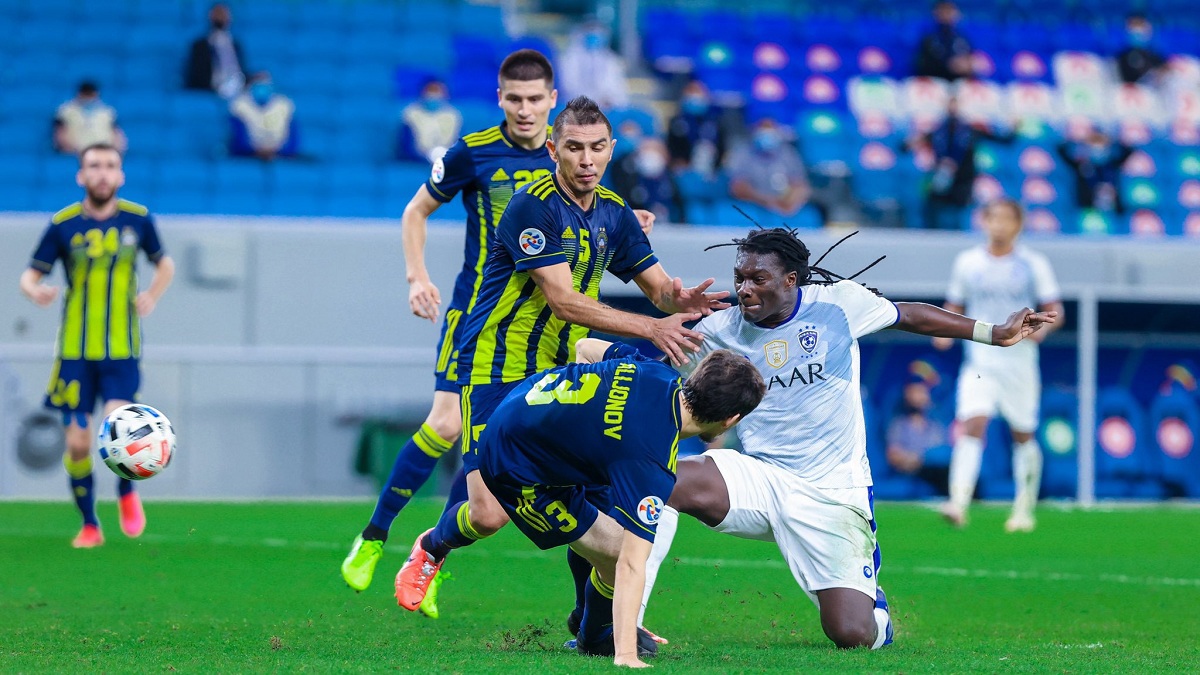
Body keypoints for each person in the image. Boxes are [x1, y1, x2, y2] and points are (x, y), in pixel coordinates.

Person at [338, 55, 657, 613]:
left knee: (582, 477)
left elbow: (603, 235)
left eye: (536, 100)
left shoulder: (582, 160)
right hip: (484, 319)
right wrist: (417, 276)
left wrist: (629, 224)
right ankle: (376, 537)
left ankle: (591, 621)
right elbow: (416, 211)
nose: (526, 110)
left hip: (559, 335)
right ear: (501, 98)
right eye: (515, 99)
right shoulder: (475, 151)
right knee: (446, 427)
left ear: (553, 101)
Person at [637, 225, 1057, 649]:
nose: (744, 289)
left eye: (757, 279)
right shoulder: (719, 331)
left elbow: (908, 315)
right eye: (740, 278)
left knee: (852, 635)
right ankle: (617, 622)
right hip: (761, 478)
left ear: (790, 280)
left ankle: (874, 610)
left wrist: (993, 332)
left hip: (835, 492)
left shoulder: (839, 305)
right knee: (658, 479)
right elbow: (650, 376)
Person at [392, 96, 730, 618]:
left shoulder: (614, 212)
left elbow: (660, 288)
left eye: (597, 147)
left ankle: (591, 623)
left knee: (590, 489)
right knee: (486, 516)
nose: (587, 159)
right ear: (553, 148)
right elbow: (564, 300)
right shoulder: (532, 207)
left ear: (612, 149)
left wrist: (678, 300)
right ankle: (432, 547)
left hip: (558, 370)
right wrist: (650, 325)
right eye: (574, 147)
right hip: (494, 367)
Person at [481, 338, 765, 664]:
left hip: (517, 405)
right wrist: (627, 655)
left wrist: (578, 422)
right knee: (617, 551)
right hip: (514, 469)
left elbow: (585, 347)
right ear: (730, 420)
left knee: (604, 523)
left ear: (694, 378)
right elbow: (630, 563)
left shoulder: (653, 370)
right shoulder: (651, 464)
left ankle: (587, 623)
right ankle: (596, 637)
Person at [17, 143, 176, 548]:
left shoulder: (137, 220)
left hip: (121, 349)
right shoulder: (63, 224)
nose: (102, 173)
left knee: (119, 424)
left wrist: (153, 296)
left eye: (109, 166)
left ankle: (126, 492)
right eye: (94, 166)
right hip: (74, 351)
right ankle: (89, 524)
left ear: (120, 175)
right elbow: (30, 274)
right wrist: (35, 291)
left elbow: (165, 263)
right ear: (81, 175)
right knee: (78, 441)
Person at [934, 199, 1064, 532]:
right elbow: (955, 304)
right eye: (994, 219)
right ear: (984, 222)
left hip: (1019, 361)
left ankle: (1024, 508)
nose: (1000, 226)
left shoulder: (1034, 263)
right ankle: (958, 503)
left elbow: (1055, 309)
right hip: (981, 358)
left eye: (1007, 220)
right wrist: (943, 331)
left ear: (1018, 225)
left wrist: (1043, 328)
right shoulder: (968, 262)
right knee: (972, 424)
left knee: (1023, 433)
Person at [904, 96, 1014, 229]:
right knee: (934, 207)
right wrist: (911, 142)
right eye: (950, 105)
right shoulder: (938, 131)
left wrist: (1013, 128)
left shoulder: (971, 130)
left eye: (955, 105)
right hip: (942, 177)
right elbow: (907, 147)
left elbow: (1003, 140)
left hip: (964, 179)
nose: (952, 109)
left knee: (960, 213)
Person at [726, 118, 815, 221]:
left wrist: (792, 202)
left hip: (783, 204)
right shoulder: (742, 153)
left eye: (770, 131)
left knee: (807, 215)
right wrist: (766, 200)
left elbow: (800, 184)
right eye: (763, 131)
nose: (767, 136)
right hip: (753, 204)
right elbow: (737, 187)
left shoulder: (788, 153)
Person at [886, 375, 951, 492]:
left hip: (934, 477)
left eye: (921, 392)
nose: (918, 397)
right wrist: (914, 460)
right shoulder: (899, 424)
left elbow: (942, 455)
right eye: (913, 392)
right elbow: (894, 456)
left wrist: (921, 458)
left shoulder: (935, 427)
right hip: (908, 477)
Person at [610, 137, 686, 223]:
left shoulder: (670, 180)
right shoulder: (629, 179)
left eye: (655, 150)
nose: (651, 154)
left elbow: (679, 207)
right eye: (646, 149)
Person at [1057, 130, 1135, 214]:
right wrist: (1072, 139)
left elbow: (1129, 151)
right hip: (1087, 209)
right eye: (1093, 148)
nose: (1097, 151)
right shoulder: (1082, 166)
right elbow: (1061, 151)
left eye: (1100, 148)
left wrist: (1116, 139)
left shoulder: (1113, 165)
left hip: (1113, 211)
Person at [558, 21, 629, 110]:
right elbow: (568, 86)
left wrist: (609, 99)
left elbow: (618, 88)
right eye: (591, 34)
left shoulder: (611, 60)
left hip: (606, 108)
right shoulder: (569, 58)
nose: (594, 38)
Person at [228, 73, 299, 160]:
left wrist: (279, 151)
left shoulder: (284, 105)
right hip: (248, 156)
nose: (262, 86)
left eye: (265, 83)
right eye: (258, 83)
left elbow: (293, 139)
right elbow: (238, 138)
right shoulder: (239, 105)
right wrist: (254, 151)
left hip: (280, 155)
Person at [185, 2, 248, 98]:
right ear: (210, 16)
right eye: (217, 13)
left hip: (238, 87)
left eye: (223, 14)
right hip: (213, 88)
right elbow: (195, 76)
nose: (220, 17)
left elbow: (241, 71)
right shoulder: (200, 46)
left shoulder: (236, 45)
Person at [666, 80, 726, 177]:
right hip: (682, 172)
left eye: (698, 92)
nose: (695, 96)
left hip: (711, 171)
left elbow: (722, 148)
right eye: (691, 92)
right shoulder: (676, 122)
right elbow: (671, 148)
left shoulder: (715, 122)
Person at [396, 78, 462, 163]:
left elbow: (457, 143)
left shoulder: (453, 115)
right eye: (430, 91)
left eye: (437, 91)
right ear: (422, 92)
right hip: (416, 158)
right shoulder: (410, 113)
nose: (433, 95)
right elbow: (406, 145)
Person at [53, 81, 126, 156]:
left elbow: (117, 134)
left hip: (103, 152)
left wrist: (115, 151)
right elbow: (59, 133)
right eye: (86, 95)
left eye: (91, 95)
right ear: (79, 94)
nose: (88, 99)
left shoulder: (107, 112)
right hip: (74, 152)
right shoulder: (65, 111)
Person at [914, 1, 973, 81]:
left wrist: (971, 65)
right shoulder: (928, 39)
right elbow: (921, 65)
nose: (947, 15)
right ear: (935, 13)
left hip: (960, 82)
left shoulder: (963, 39)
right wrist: (950, 65)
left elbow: (973, 58)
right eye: (943, 11)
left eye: (950, 11)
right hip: (934, 81)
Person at [1116, 13, 1167, 85]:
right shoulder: (1121, 57)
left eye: (1140, 25)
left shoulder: (1155, 56)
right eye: (1133, 26)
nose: (1137, 30)